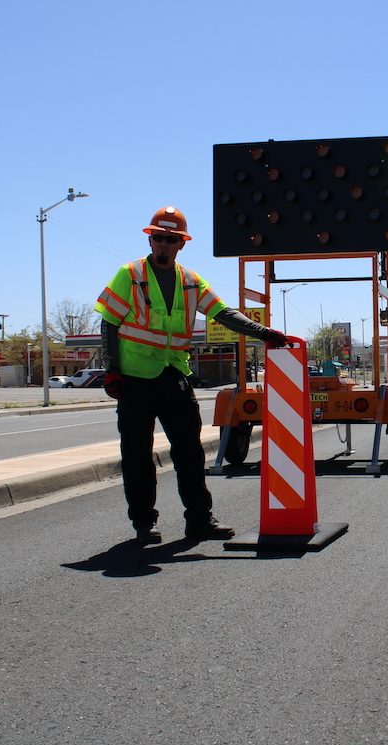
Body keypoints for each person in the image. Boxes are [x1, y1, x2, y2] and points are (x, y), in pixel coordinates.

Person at [95, 207, 287, 544]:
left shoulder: (190, 280)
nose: (163, 245)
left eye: (171, 239)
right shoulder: (131, 274)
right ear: (150, 239)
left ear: (181, 244)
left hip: (174, 376)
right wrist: (111, 370)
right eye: (158, 238)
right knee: (137, 454)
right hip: (134, 380)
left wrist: (263, 332)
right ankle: (143, 523)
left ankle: (199, 520)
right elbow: (109, 321)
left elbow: (222, 312)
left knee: (189, 452)